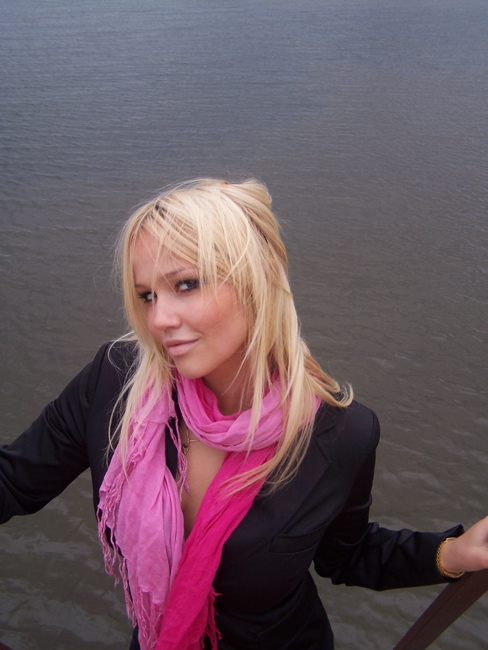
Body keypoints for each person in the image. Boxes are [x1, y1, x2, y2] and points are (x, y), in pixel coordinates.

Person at [1, 178, 487, 650]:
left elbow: (347, 554)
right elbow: (14, 480)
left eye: (186, 284)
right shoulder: (115, 382)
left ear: (257, 281)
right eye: (148, 295)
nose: (158, 319)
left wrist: (452, 553)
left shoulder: (341, 433)